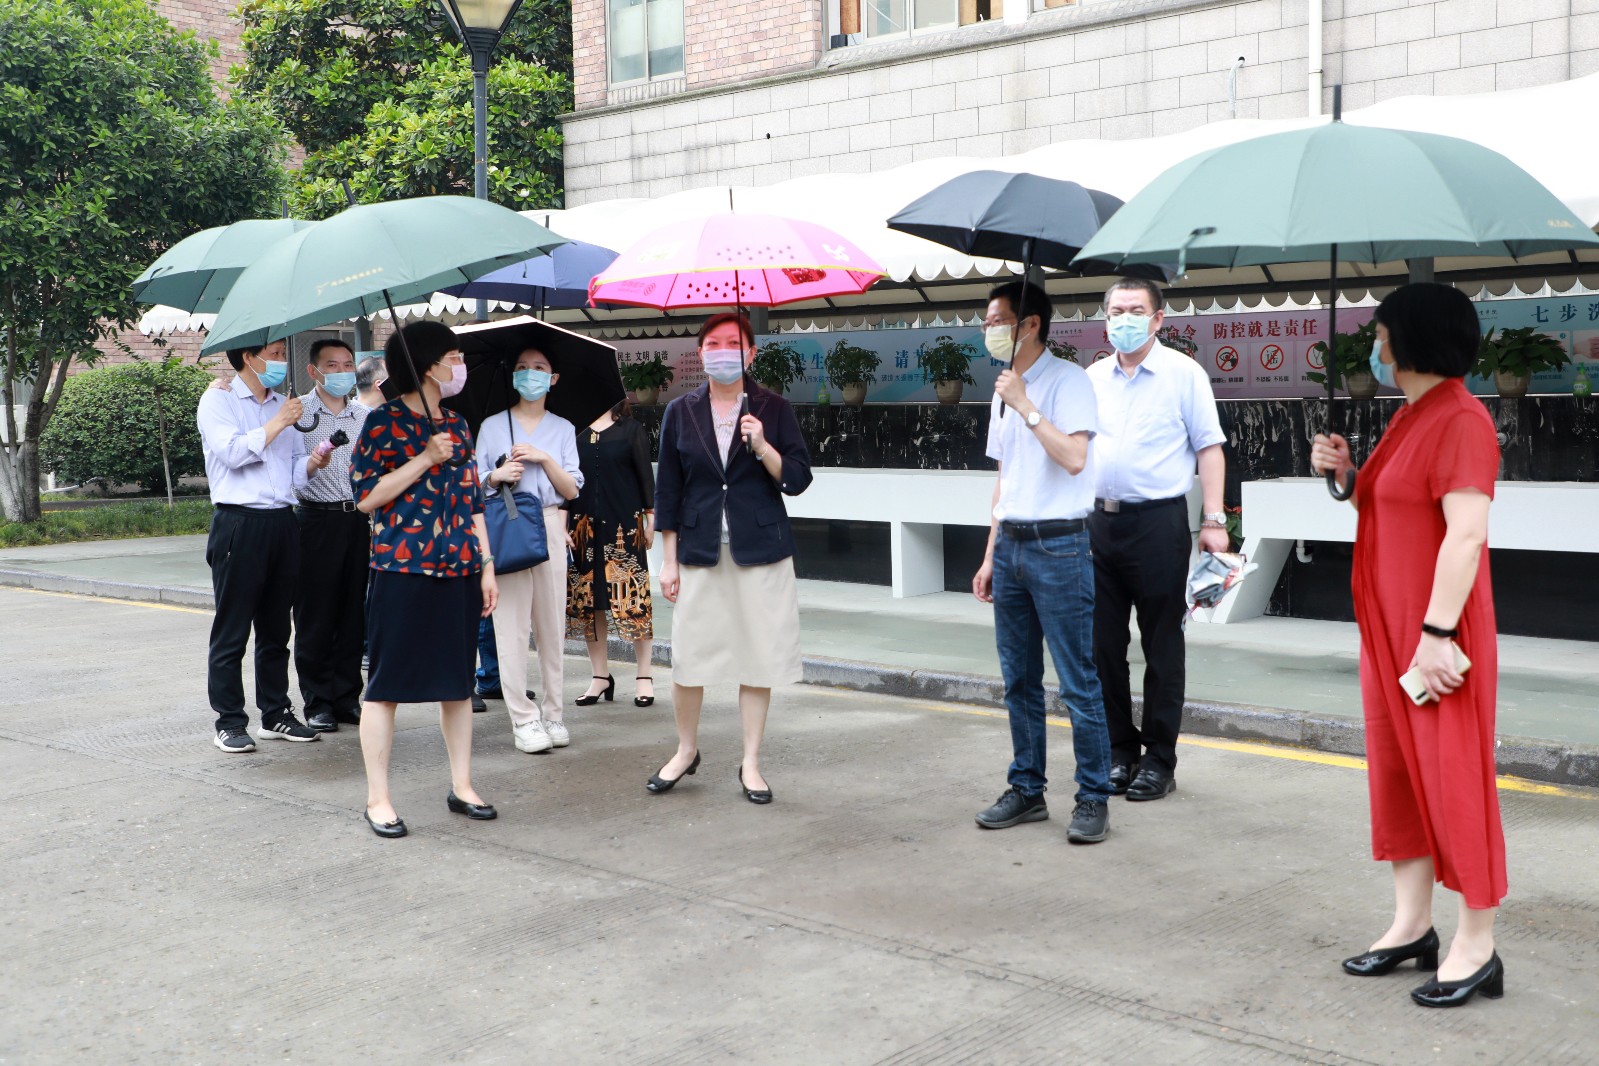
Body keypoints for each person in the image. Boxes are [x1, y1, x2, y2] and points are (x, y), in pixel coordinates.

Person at [1311, 283, 1506, 1008]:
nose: (1376, 345)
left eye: (1381, 332)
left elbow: (1466, 533)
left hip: (1434, 635)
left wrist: (1435, 635)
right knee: (1397, 776)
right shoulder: (1410, 415)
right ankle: (1412, 925)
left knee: (1453, 780)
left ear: (1411, 338)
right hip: (1388, 629)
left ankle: (1476, 943)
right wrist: (1345, 473)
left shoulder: (1461, 419)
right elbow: (1386, 504)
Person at [971, 282, 1113, 844]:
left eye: (997, 321)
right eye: (986, 322)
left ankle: (1093, 796)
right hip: (1011, 546)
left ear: (1029, 325)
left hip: (1060, 545)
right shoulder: (1001, 388)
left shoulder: (1068, 381)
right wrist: (990, 554)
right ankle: (1027, 788)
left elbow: (1075, 457)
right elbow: (1004, 477)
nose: (989, 331)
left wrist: (1026, 406)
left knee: (1077, 680)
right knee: (1019, 680)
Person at [650, 312, 812, 804]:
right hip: (698, 551)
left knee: (758, 657)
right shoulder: (679, 411)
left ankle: (751, 761)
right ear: (700, 353)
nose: (723, 352)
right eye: (714, 344)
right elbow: (668, 490)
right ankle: (686, 750)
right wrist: (668, 560)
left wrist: (762, 446)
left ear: (751, 354)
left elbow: (798, 479)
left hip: (760, 551)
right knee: (689, 657)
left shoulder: (773, 407)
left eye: (733, 343)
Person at [350, 322, 498, 838]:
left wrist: (486, 564)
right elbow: (366, 498)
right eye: (453, 356)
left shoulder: (457, 423)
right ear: (430, 365)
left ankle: (463, 785)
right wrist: (424, 458)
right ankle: (378, 799)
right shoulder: (382, 422)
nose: (460, 366)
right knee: (385, 688)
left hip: (460, 568)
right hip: (402, 569)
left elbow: (473, 501)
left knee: (457, 685)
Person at [1085, 278, 1228, 801]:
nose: (1124, 319)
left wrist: (1214, 520)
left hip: (1158, 525)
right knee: (1102, 646)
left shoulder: (1183, 374)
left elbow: (1209, 448)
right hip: (1098, 524)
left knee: (1162, 645)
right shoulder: (1092, 378)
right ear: (1105, 320)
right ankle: (1119, 752)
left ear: (1158, 318)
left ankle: (1159, 760)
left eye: (1135, 310)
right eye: (1116, 311)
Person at [196, 339, 322, 752]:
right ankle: (230, 721)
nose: (283, 361)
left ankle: (276, 713)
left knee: (276, 627)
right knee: (232, 629)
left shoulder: (282, 406)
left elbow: (293, 469)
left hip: (283, 521)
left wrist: (312, 464)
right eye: (276, 354)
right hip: (239, 522)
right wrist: (278, 423)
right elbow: (233, 453)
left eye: (284, 354)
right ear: (249, 357)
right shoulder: (219, 400)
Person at [476, 347, 583, 754]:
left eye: (539, 368)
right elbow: (474, 483)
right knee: (511, 627)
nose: (529, 374)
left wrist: (543, 459)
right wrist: (496, 475)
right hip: (508, 524)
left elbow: (572, 488)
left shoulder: (563, 427)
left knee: (552, 626)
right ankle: (523, 718)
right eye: (522, 368)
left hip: (551, 523)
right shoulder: (492, 426)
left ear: (553, 378)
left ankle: (554, 713)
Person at [293, 339, 371, 733]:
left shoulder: (365, 416)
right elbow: (290, 471)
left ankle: (347, 697)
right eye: (332, 365)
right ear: (314, 371)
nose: (341, 372)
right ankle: (318, 701)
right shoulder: (298, 413)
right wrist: (313, 463)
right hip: (315, 519)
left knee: (353, 612)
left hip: (357, 519)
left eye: (347, 365)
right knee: (315, 613)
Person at [567, 397, 657, 708]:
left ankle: (644, 676)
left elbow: (645, 477)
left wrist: (651, 519)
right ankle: (600, 676)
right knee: (589, 603)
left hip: (624, 523)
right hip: (582, 527)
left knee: (634, 601)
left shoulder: (630, 429)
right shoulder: (574, 431)